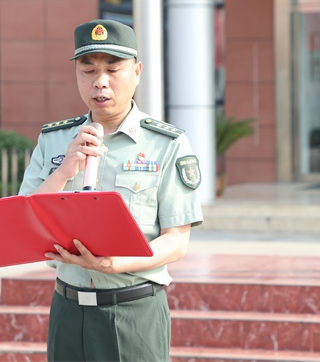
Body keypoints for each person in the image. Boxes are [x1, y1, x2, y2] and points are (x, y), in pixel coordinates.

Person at [18, 19, 203, 362]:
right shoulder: (54, 139)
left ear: (137, 71)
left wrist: (115, 264)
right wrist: (64, 170)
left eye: (113, 69)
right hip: (68, 310)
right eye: (88, 70)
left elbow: (177, 240)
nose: (100, 81)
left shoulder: (167, 143)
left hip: (134, 312)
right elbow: (24, 218)